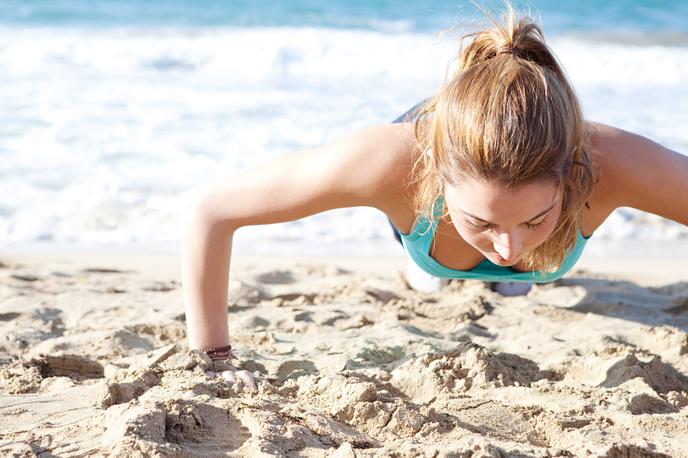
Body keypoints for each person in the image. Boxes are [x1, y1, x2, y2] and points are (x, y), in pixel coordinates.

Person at [180, 5, 688, 389]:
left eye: (534, 220)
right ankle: (431, 259)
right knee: (435, 271)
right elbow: (213, 212)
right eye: (483, 222)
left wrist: (503, 232)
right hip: (431, 182)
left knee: (516, 276)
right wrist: (215, 361)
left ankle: (508, 267)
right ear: (434, 179)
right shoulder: (390, 163)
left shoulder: (610, 164)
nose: (508, 248)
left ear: (573, 178)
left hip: (527, 151)